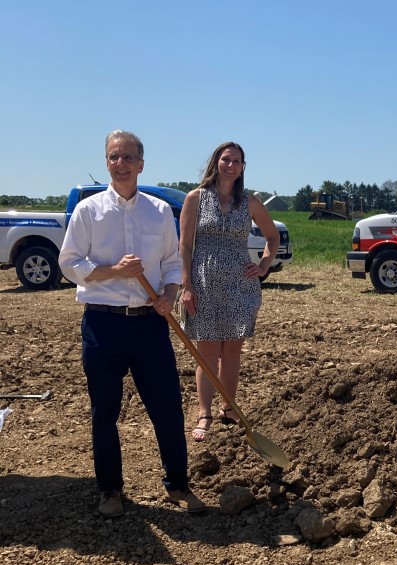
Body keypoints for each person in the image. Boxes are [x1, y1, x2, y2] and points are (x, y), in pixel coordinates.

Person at [59, 129, 206, 517]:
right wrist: (114, 272)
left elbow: (172, 264)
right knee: (104, 412)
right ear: (106, 162)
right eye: (112, 157)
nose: (119, 164)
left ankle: (178, 484)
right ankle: (110, 490)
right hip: (102, 325)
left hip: (148, 326)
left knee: (167, 408)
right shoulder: (88, 212)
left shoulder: (158, 212)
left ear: (141, 164)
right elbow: (69, 263)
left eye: (127, 157)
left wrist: (170, 295)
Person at [179, 142, 279, 441]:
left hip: (239, 284)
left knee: (232, 350)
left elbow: (272, 237)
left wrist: (263, 265)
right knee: (207, 351)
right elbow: (184, 245)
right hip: (204, 282)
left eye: (237, 161)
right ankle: (204, 413)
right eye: (226, 159)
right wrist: (186, 284)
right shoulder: (195, 198)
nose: (231, 165)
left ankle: (229, 407)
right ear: (216, 162)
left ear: (242, 167)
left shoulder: (250, 202)